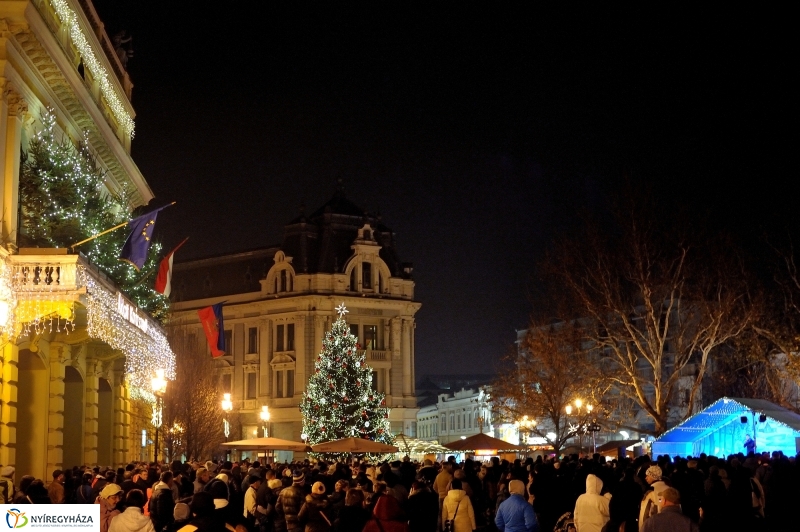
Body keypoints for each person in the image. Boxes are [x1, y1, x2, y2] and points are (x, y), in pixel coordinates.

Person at [638, 466, 667, 531]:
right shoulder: (669, 489)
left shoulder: (651, 492)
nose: (646, 478)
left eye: (648, 476)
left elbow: (644, 513)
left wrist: (641, 528)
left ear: (653, 476)